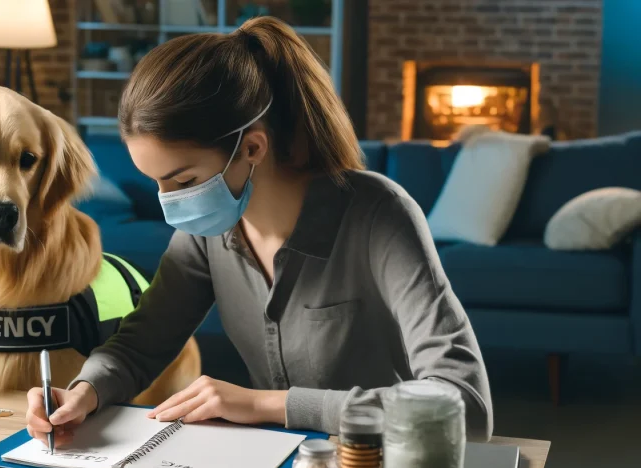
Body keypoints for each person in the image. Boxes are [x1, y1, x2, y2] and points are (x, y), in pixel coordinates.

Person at [26, 16, 493, 445]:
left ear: (252, 147)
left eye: (184, 180)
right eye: (158, 183)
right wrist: (83, 392)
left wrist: (266, 404)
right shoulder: (209, 229)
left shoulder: (379, 216)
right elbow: (138, 347)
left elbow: (463, 406)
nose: (169, 201)